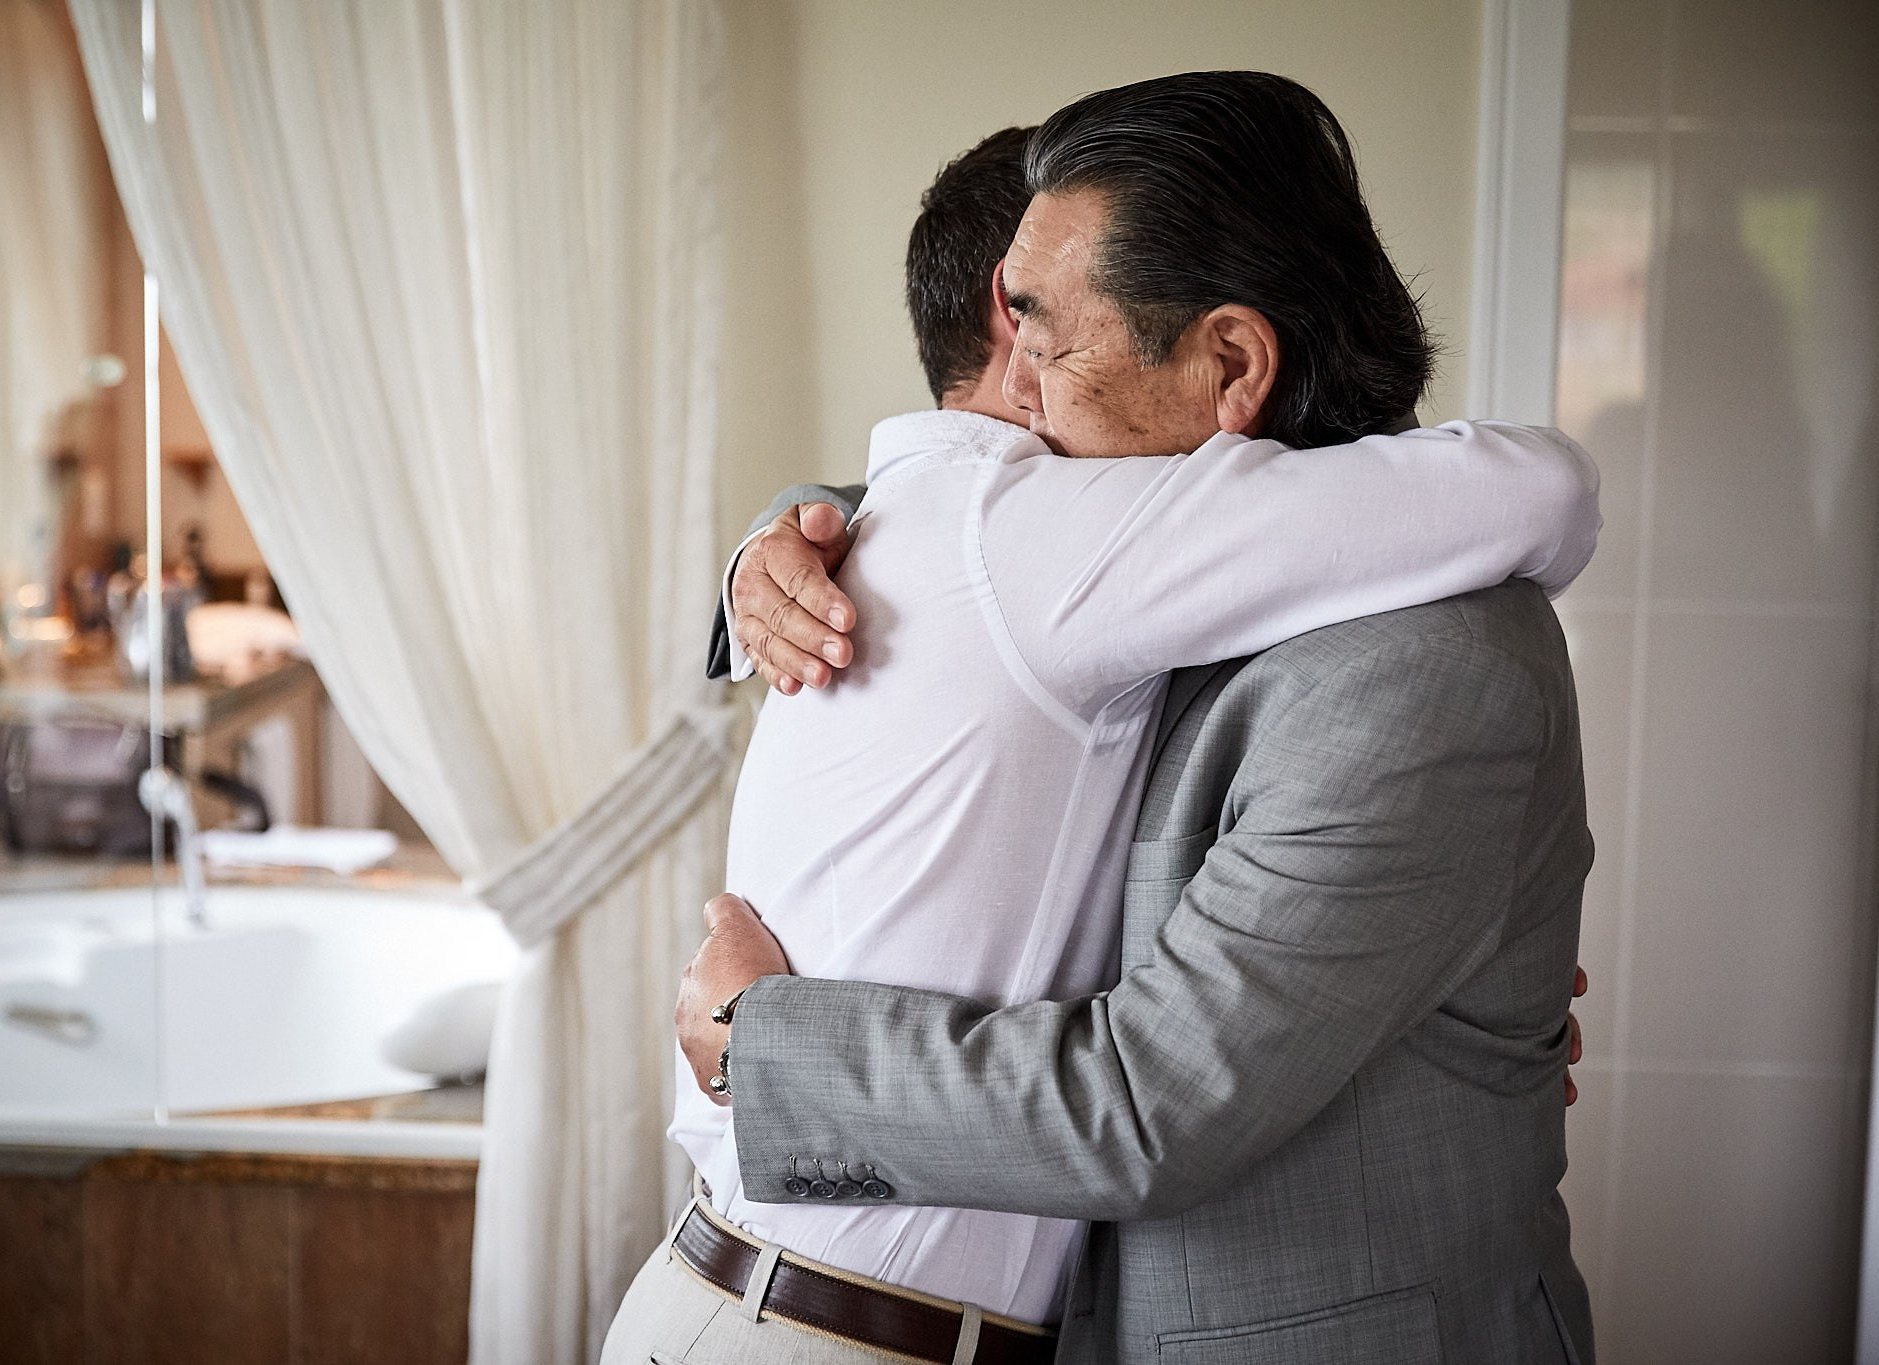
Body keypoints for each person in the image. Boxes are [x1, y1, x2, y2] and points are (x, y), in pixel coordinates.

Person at [673, 72, 1600, 1365]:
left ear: (1229, 363)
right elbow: (950, 530)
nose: (1024, 398)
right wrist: (773, 547)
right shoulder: (1158, 556)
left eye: (1049, 341)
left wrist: (759, 1048)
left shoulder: (1421, 667)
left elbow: (1148, 1101)